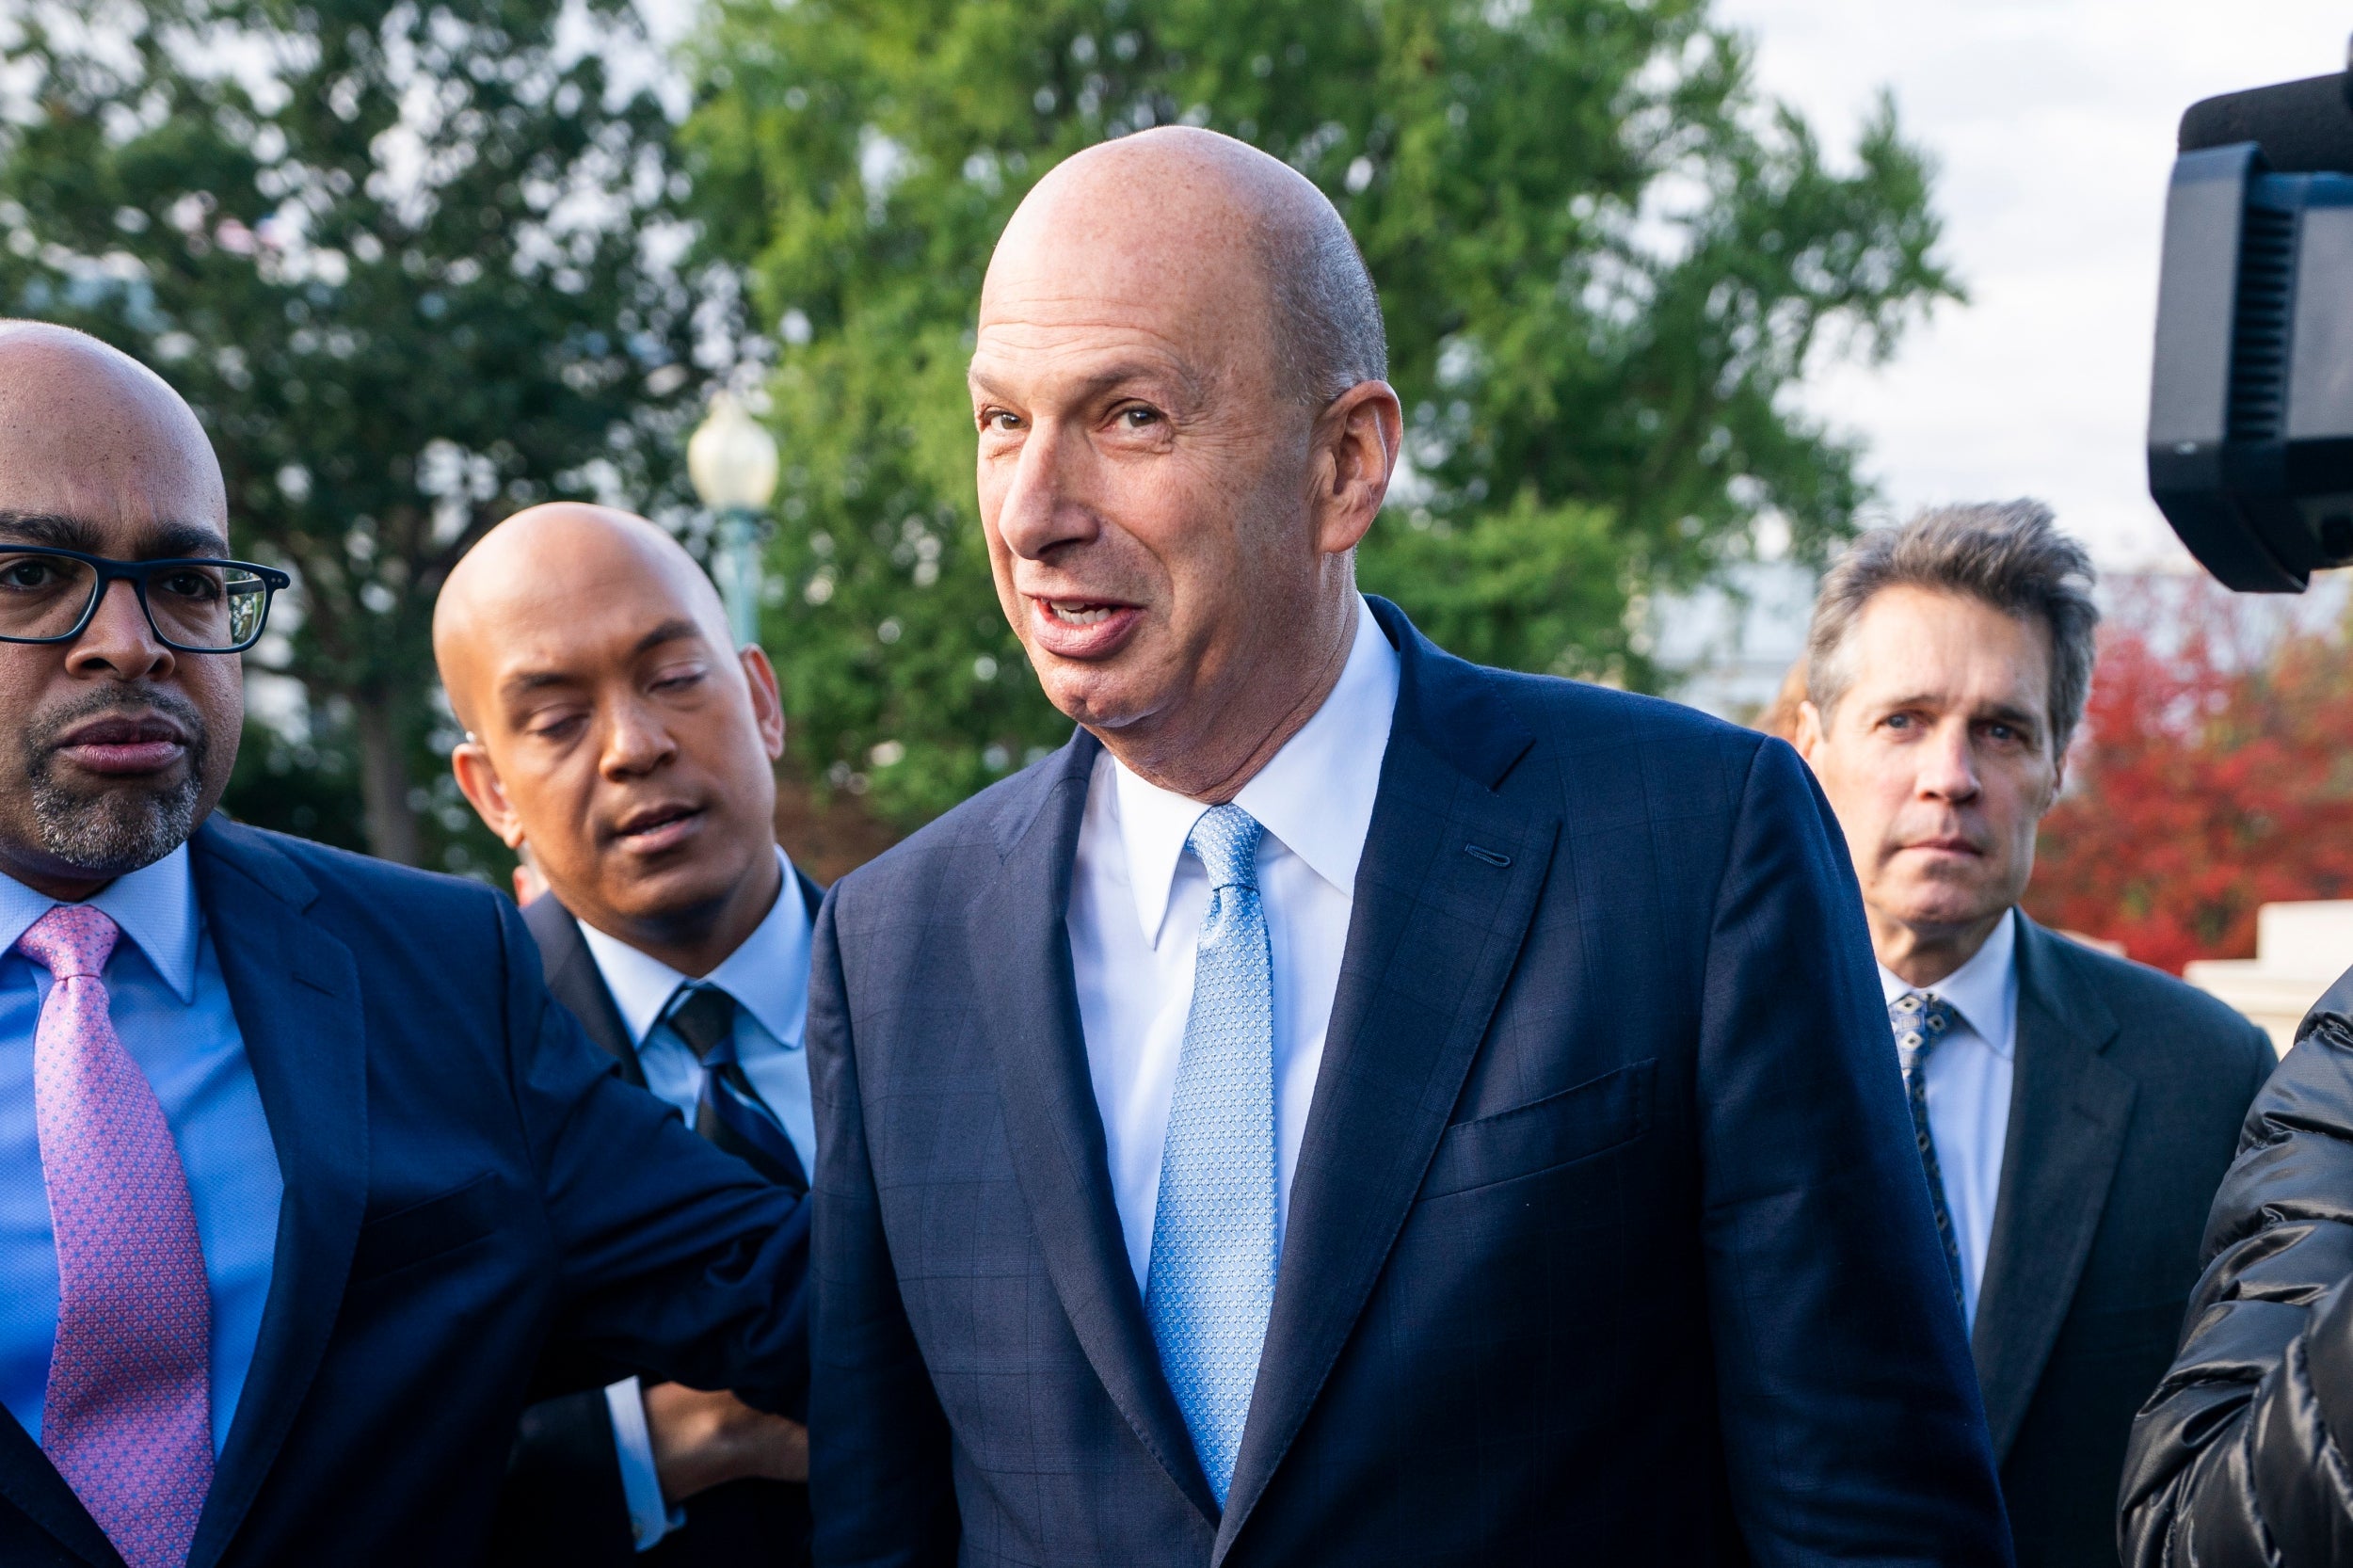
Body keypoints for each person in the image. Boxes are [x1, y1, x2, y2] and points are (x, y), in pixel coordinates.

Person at [805, 126, 2010, 1567]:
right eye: (1002, 421)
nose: (1033, 511)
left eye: (1127, 417)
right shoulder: (893, 942)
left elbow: (1870, 1520)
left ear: (1346, 463)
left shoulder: (1692, 847)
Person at [0, 320, 809, 1568]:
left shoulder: (437, 971)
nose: (130, 639)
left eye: (188, 580)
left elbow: (799, 1297)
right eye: (29, 575)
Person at [1792, 502, 2274, 1568]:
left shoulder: (2206, 1080)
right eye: (1904, 719)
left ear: (2057, 763)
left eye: (2001, 729)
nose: (1949, 777)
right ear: (1811, 746)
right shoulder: (1683, 1052)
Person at [436, 503, 819, 1565]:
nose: (634, 746)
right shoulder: (435, 1074)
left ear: (761, 699)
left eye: (672, 678)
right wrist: (666, 1441)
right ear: (491, 790)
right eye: (555, 720)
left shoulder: (967, 986)